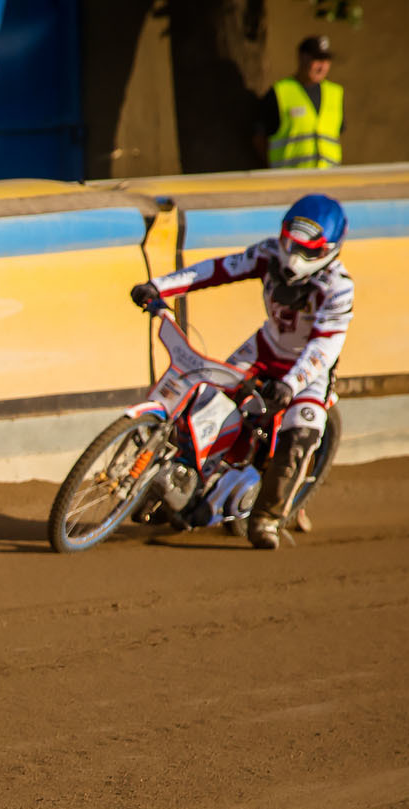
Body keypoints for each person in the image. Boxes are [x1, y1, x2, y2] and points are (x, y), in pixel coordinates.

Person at [131, 193, 353, 550]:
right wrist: (159, 286)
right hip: (264, 349)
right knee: (205, 399)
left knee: (301, 435)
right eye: (290, 245)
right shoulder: (266, 254)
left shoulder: (339, 288)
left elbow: (324, 348)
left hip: (307, 370)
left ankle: (267, 518)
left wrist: (291, 384)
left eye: (307, 252)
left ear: (329, 250)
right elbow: (216, 270)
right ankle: (175, 477)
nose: (294, 259)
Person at [262, 36, 343, 170]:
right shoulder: (280, 91)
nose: (322, 66)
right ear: (302, 58)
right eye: (317, 59)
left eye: (326, 60)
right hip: (290, 179)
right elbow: (260, 139)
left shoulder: (336, 93)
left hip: (329, 178)